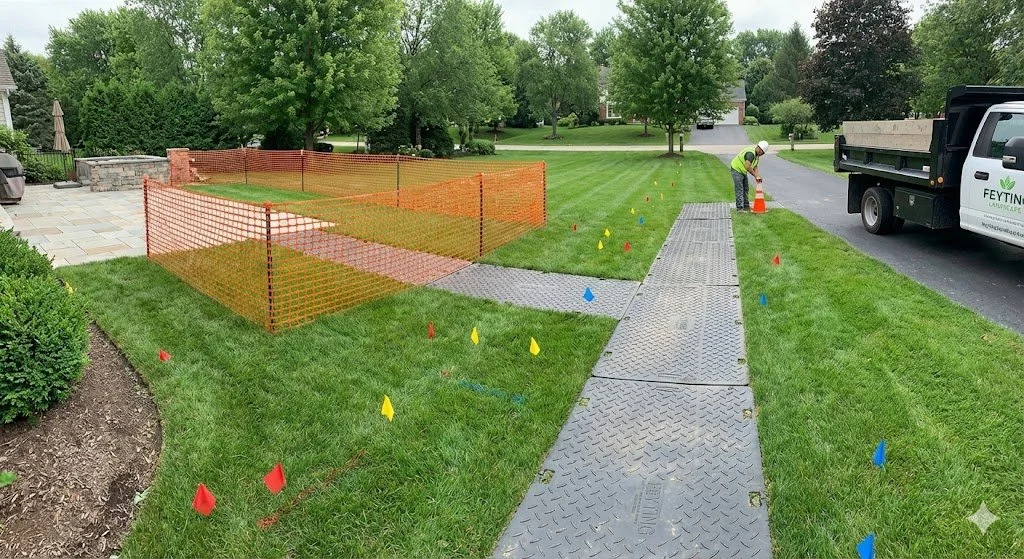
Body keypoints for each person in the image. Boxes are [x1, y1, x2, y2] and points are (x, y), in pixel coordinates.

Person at [730, 140, 769, 211]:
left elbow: (755, 166)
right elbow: (747, 166)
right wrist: (755, 175)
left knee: (746, 188)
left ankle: (746, 206)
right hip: (736, 169)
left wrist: (758, 175)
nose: (761, 153)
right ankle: (740, 209)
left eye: (762, 153)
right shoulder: (751, 154)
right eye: (760, 151)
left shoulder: (756, 156)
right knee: (740, 189)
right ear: (758, 147)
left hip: (742, 171)